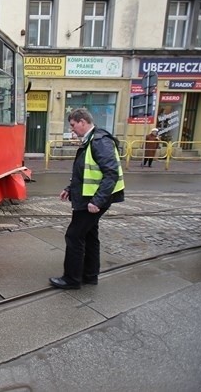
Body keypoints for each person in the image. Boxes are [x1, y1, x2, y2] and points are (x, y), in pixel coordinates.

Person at [49, 108, 125, 289]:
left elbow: (111, 173)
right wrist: (70, 188)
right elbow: (86, 172)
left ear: (83, 121)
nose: (72, 130)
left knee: (74, 236)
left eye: (73, 125)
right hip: (88, 198)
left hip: (92, 201)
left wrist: (97, 201)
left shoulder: (99, 141)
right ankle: (90, 275)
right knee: (90, 236)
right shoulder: (92, 139)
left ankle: (71, 279)